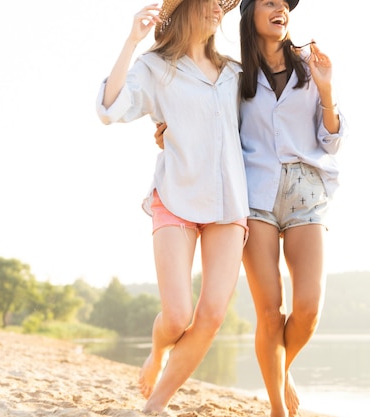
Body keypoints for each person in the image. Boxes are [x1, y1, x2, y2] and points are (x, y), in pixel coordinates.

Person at [155, 1, 348, 415]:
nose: (280, 7)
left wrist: (327, 90)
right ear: (250, 15)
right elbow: (205, 123)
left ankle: (282, 366)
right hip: (253, 195)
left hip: (306, 193)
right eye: (269, 1)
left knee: (308, 308)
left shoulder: (310, 66)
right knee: (269, 310)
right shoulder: (233, 76)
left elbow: (331, 140)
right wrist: (170, 132)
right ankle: (278, 408)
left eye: (284, 4)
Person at [95, 0, 248, 413]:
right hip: (177, 197)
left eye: (222, 3)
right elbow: (110, 109)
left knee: (212, 314)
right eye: (210, 1)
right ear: (186, 9)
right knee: (178, 315)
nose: (218, 8)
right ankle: (157, 350)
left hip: (230, 202)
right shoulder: (155, 68)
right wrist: (131, 41)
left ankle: (155, 406)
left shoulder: (236, 73)